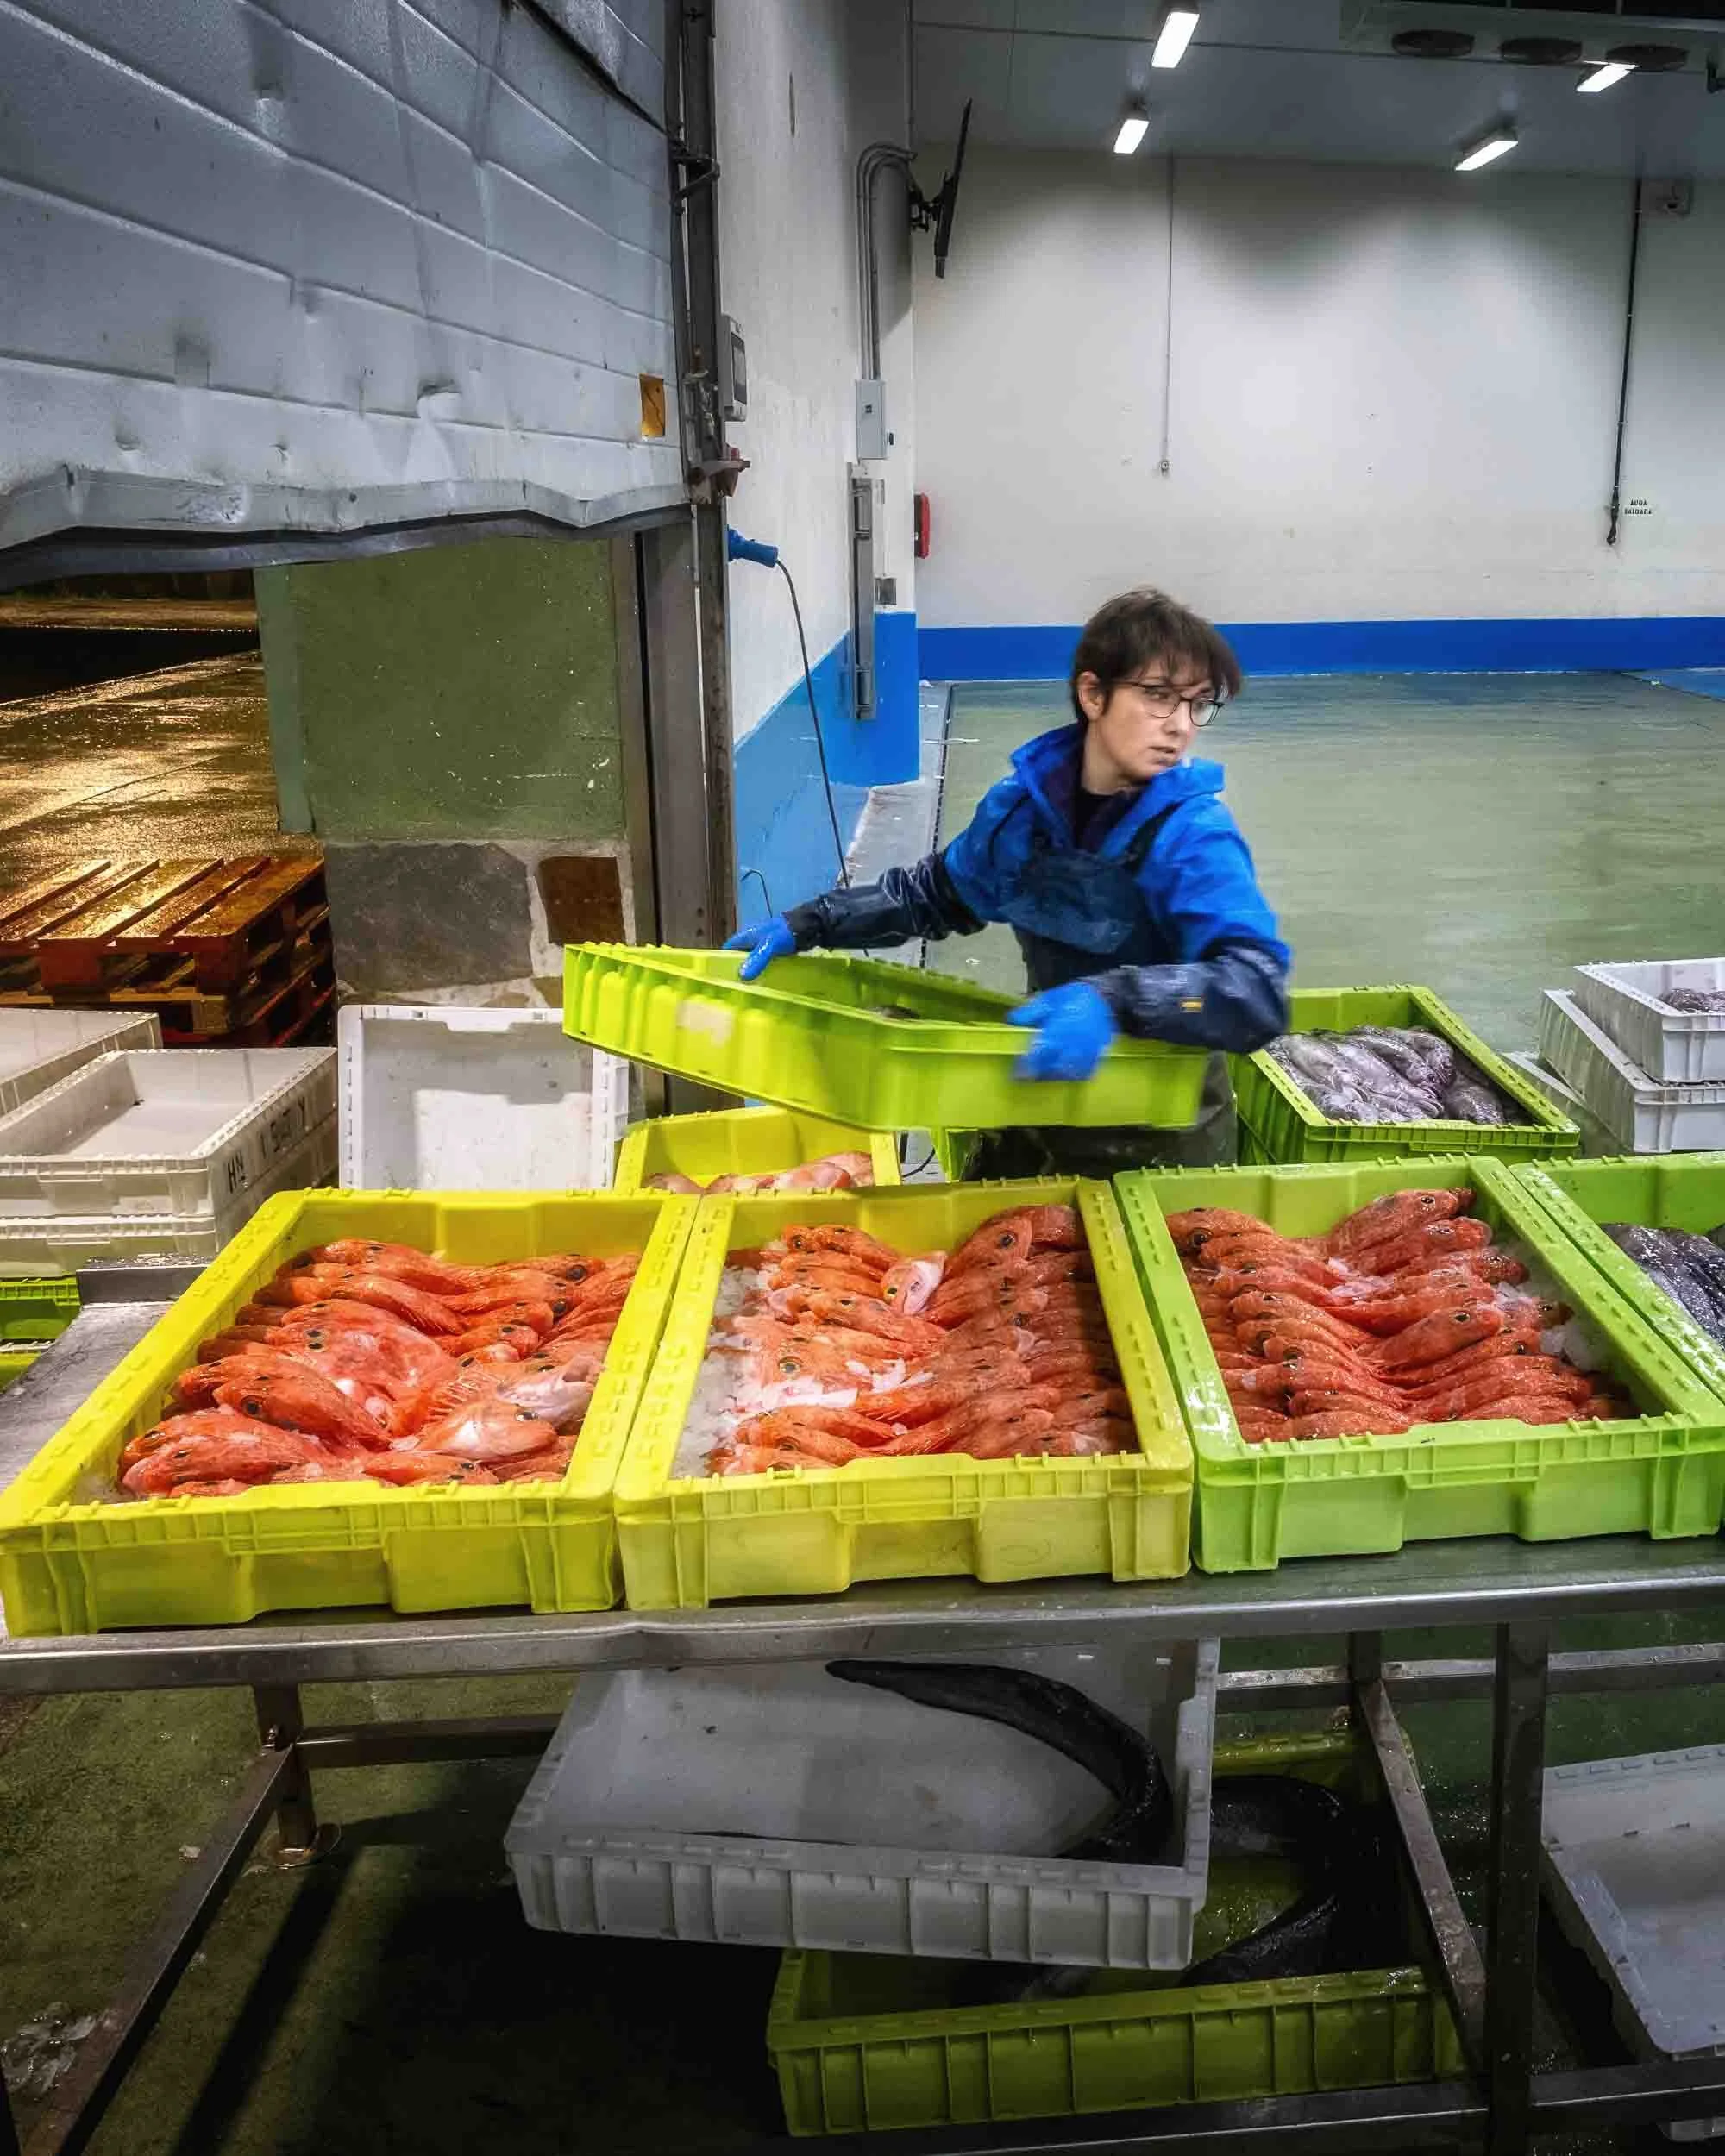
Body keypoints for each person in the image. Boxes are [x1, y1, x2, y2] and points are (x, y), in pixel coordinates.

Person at [724, 586, 1289, 1173]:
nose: (1180, 726)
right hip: (1047, 1091)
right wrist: (810, 923)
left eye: (1197, 704)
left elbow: (1255, 987)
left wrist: (1114, 1002)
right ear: (1092, 693)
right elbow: (935, 895)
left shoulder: (1193, 836)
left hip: (1165, 1136)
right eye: (1157, 697)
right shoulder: (1024, 813)